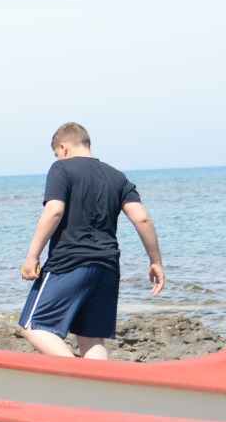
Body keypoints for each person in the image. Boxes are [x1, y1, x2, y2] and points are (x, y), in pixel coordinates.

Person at [19, 122, 164, 360]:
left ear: (63, 147)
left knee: (32, 326)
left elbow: (54, 211)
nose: (58, 158)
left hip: (69, 263)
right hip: (107, 269)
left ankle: (74, 373)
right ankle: (94, 383)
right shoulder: (118, 177)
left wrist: (32, 256)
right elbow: (142, 219)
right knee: (91, 338)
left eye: (56, 153)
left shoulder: (61, 168)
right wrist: (155, 261)